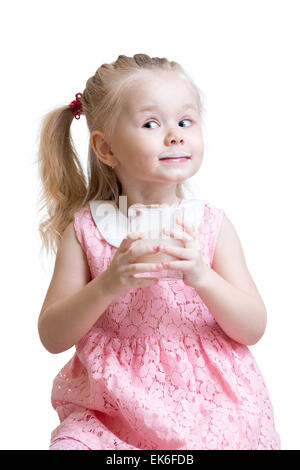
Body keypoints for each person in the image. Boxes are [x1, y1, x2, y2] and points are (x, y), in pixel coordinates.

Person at [37, 53, 280, 450]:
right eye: (152, 124)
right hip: (112, 407)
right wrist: (108, 284)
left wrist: (203, 276)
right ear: (106, 148)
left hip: (209, 405)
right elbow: (51, 335)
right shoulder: (88, 230)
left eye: (185, 122)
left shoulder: (209, 226)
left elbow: (253, 326)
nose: (175, 135)